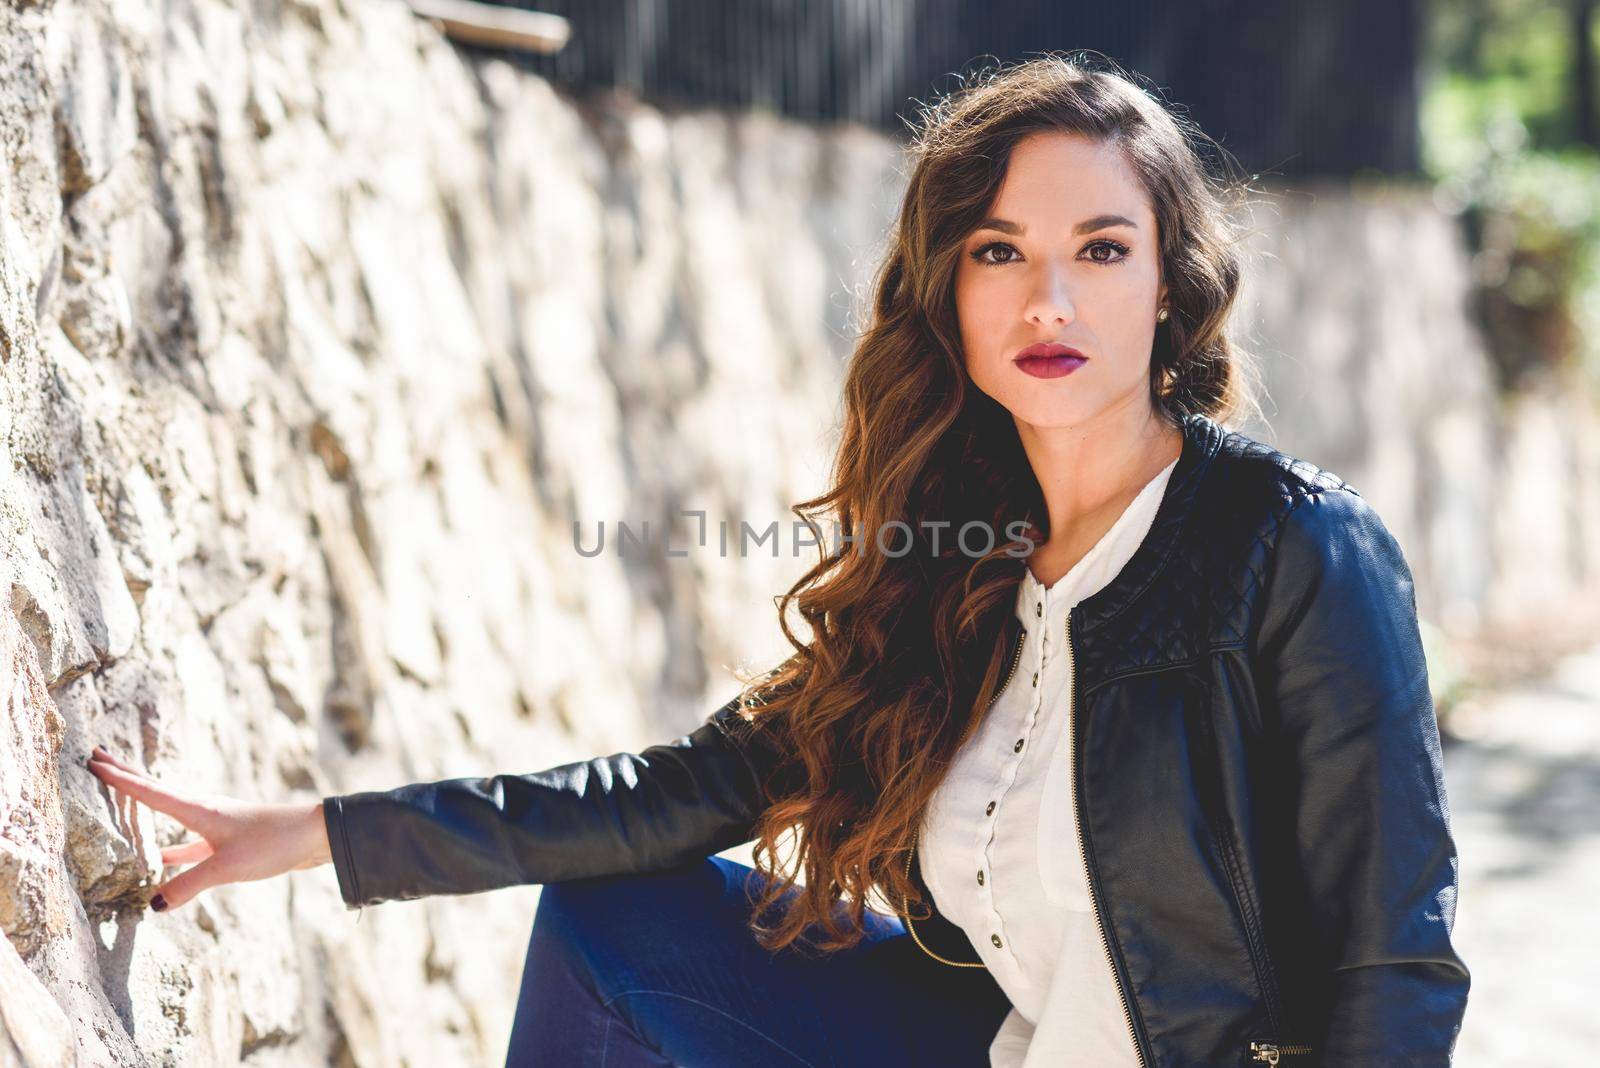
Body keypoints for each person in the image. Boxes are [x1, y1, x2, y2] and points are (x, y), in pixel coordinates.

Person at [84, 53, 1471, 1067]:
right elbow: (683, 792)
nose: (1050, 298)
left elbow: (1393, 959)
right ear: (953, 293)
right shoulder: (961, 566)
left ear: (1167, 285)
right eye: (1001, 252)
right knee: (619, 924)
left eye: (1102, 249)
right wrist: (326, 834)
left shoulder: (1294, 551)